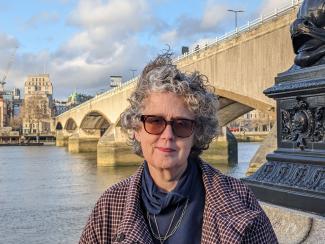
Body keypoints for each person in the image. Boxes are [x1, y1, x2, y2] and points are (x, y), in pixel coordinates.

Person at [79, 53, 278, 244]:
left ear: (196, 133)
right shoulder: (109, 206)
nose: (167, 136)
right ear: (136, 130)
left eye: (181, 124)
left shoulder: (239, 199)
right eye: (155, 122)